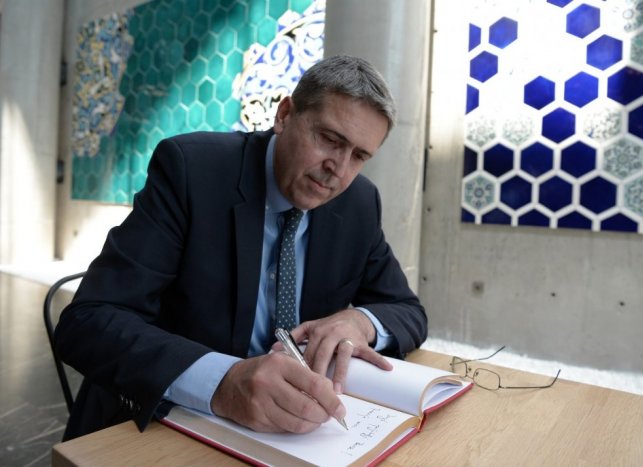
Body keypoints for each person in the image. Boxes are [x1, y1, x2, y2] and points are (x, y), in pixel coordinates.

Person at [55, 54, 427, 440]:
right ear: (284, 115)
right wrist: (223, 381)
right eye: (330, 140)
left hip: (288, 432)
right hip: (160, 424)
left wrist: (360, 322)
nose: (340, 168)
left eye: (360, 156)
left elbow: (407, 310)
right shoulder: (190, 171)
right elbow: (88, 321)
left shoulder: (358, 203)